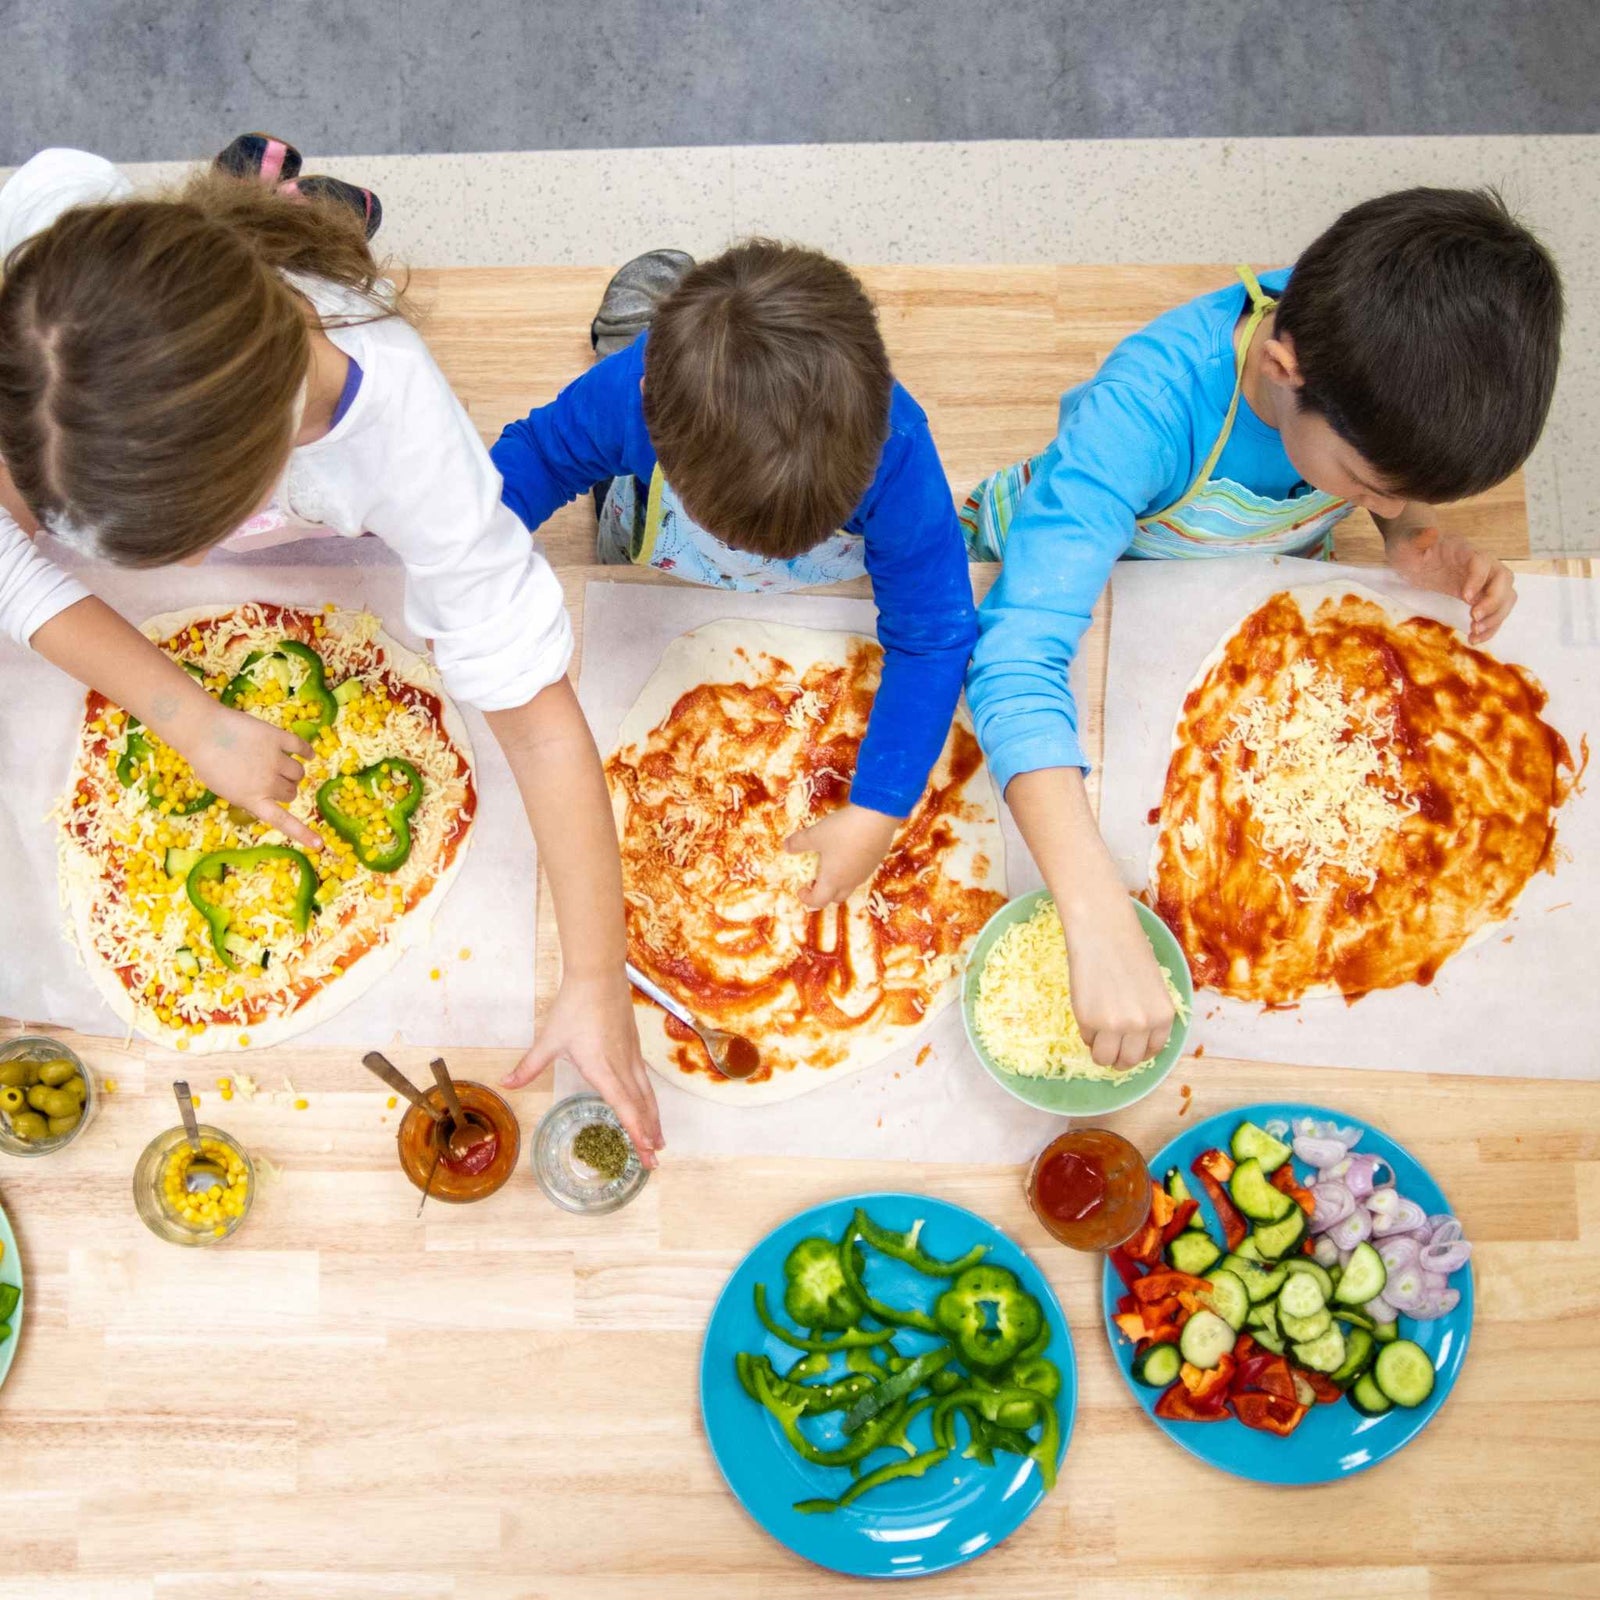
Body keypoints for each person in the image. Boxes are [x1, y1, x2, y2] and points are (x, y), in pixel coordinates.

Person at [0, 145, 662, 1162]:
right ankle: (267, 195)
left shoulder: (408, 450)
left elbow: (536, 722)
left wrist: (593, 976)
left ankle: (295, 209)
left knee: (307, 246)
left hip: (313, 443)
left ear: (255, 485)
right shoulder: (36, 282)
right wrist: (189, 717)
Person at [963, 187, 1563, 1072]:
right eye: (1371, 480)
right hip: (1069, 574)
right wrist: (1092, 911)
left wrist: (1410, 535)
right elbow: (1014, 654)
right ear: (1284, 372)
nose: (1386, 502)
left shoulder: (1359, 363)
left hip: (1234, 590)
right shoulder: (1143, 414)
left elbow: (1381, 475)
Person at [492, 240, 978, 904]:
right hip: (660, 549)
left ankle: (671, 308)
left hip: (817, 586)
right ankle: (647, 316)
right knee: (628, 376)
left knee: (679, 340)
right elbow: (541, 456)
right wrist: (476, 561)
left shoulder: (896, 451)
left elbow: (934, 634)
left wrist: (878, 808)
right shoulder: (632, 401)